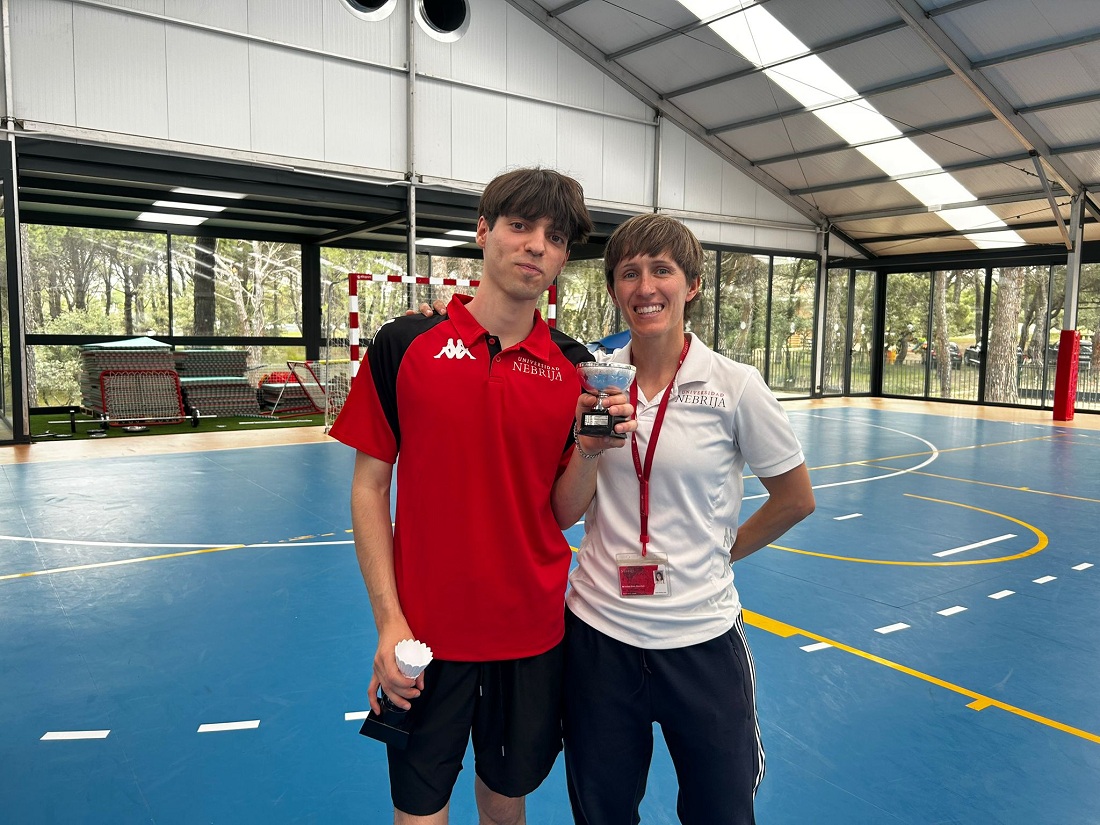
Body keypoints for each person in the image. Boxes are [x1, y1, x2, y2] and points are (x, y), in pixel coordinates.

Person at [328, 167, 634, 825]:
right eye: (520, 226)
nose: (536, 246)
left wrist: (589, 451)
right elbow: (369, 485)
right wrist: (389, 623)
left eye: (554, 237)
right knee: (419, 811)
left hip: (530, 634)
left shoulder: (573, 369)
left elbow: (561, 512)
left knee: (504, 803)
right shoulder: (405, 344)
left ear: (563, 258)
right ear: (483, 232)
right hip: (423, 638)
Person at [551, 213, 816, 825]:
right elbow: (565, 512)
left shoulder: (734, 385)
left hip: (701, 637)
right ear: (614, 289)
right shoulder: (592, 381)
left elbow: (796, 498)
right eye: (629, 273)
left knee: (721, 812)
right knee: (601, 812)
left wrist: (720, 552)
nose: (645, 286)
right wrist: (588, 449)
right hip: (599, 635)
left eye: (661, 270)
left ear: (691, 285)